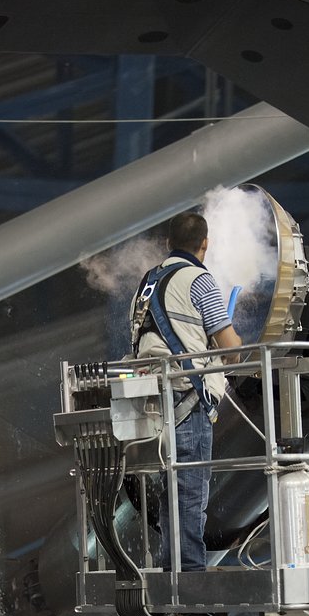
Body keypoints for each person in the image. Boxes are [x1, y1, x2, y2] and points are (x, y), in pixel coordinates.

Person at [131, 211, 242, 571]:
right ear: (204, 244)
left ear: (168, 243)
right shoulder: (200, 281)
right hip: (186, 400)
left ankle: (174, 567)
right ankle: (190, 572)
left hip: (151, 400)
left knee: (171, 490)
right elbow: (231, 349)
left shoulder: (147, 282)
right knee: (190, 490)